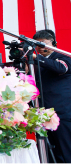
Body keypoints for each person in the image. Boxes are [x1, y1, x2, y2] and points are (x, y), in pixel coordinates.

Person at [32, 29, 71, 163]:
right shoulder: (36, 63)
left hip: (62, 113)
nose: (40, 47)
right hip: (43, 113)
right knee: (48, 153)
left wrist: (38, 58)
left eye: (43, 44)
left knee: (65, 151)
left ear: (52, 43)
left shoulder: (64, 56)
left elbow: (61, 68)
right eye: (37, 45)